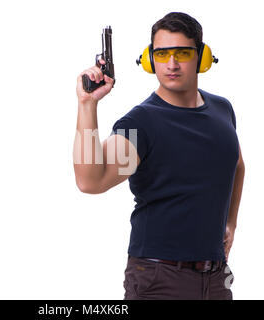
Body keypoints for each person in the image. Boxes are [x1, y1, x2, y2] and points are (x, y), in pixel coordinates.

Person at [73, 12, 245, 300]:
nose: (172, 64)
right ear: (150, 60)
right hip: (159, 279)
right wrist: (87, 105)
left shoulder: (221, 110)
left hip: (216, 278)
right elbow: (92, 180)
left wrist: (231, 222)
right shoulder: (143, 124)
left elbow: (235, 164)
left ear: (202, 57)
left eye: (182, 53)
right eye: (162, 54)